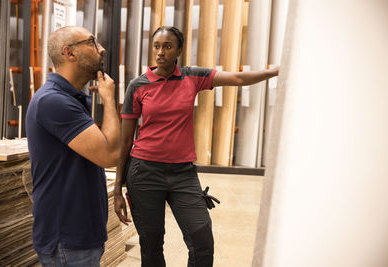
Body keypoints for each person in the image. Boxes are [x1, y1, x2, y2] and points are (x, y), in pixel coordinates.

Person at [114, 26, 279, 267]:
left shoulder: (192, 76)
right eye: (157, 46)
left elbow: (239, 78)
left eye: (168, 47)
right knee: (151, 244)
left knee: (202, 240)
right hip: (144, 172)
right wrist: (118, 188)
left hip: (183, 174)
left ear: (179, 50)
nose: (160, 52)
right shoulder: (137, 86)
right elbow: (125, 140)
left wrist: (274, 72)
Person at [26, 26, 121, 267]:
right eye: (91, 42)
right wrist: (109, 101)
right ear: (69, 53)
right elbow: (110, 155)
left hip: (79, 235)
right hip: (68, 238)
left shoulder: (68, 98)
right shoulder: (53, 101)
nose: (102, 49)